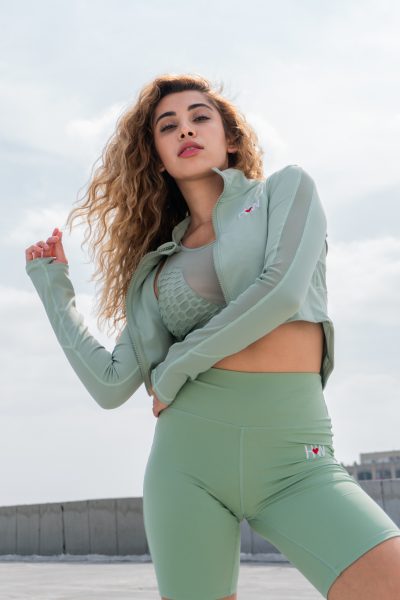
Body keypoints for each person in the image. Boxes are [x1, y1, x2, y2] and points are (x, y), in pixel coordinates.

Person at [25, 73, 400, 600]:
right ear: (157, 158)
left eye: (200, 117)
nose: (186, 130)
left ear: (231, 139)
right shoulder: (156, 271)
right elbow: (110, 384)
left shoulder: (284, 192)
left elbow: (281, 292)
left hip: (296, 459)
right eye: (168, 126)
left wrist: (176, 367)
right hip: (186, 467)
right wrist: (52, 286)